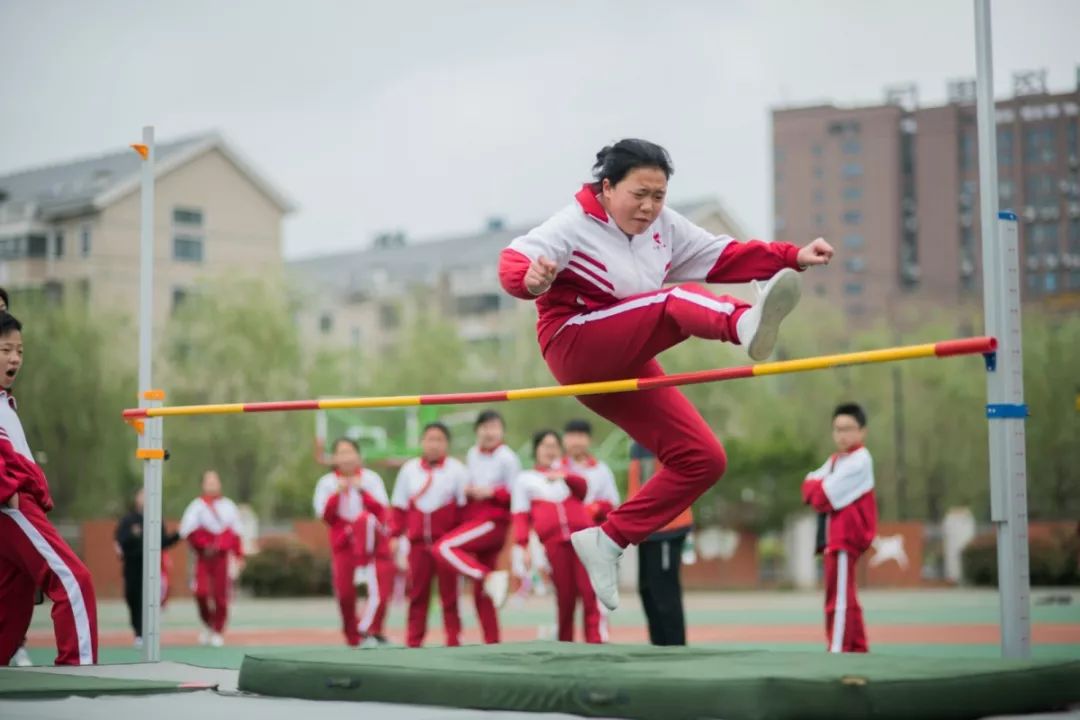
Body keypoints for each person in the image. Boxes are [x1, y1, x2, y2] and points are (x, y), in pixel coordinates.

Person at [498, 138, 834, 610]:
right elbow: (513, 260)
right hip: (575, 345)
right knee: (674, 301)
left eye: (659, 195)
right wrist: (530, 279)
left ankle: (609, 541)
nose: (650, 206)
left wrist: (793, 256)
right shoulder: (572, 225)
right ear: (608, 187)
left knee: (702, 458)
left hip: (626, 354)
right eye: (639, 194)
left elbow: (726, 256)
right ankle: (741, 323)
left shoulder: (665, 228)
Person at [0, 311, 99, 665]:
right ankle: (80, 670)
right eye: (5, 349)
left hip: (18, 505)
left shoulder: (6, 402)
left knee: (12, 604)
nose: (15, 358)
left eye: (20, 351)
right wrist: (7, 491)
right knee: (74, 581)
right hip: (11, 506)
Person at [433, 410, 517, 642]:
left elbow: (515, 494)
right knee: (482, 595)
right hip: (475, 519)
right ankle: (493, 643)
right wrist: (470, 491)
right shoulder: (472, 454)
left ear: (502, 431)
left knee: (443, 548)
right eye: (484, 427)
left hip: (493, 521)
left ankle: (487, 576)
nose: (489, 432)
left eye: (494, 427)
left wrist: (491, 492)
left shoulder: (507, 457)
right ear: (477, 431)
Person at [511, 430, 602, 643]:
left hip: (583, 540)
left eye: (554, 446)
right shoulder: (526, 479)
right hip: (554, 545)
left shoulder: (570, 473)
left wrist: (565, 475)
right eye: (545, 445)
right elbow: (520, 516)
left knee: (589, 593)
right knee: (565, 597)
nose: (550, 450)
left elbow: (583, 491)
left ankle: (595, 643)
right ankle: (566, 644)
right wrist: (522, 546)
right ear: (536, 450)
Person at [801, 403, 877, 653]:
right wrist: (817, 487)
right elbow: (807, 486)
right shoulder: (836, 460)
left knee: (839, 599)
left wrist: (818, 487)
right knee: (845, 596)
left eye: (848, 428)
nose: (842, 434)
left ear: (862, 431)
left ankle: (838, 651)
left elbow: (823, 496)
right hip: (833, 537)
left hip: (846, 538)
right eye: (837, 429)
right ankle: (857, 648)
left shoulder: (860, 460)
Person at [389, 422, 467, 648]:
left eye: (439, 439)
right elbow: (399, 507)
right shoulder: (409, 469)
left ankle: (454, 641)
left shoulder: (457, 470)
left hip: (446, 545)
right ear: (422, 442)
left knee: (450, 596)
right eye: (429, 439)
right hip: (417, 545)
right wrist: (395, 536)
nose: (433, 444)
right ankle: (414, 642)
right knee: (417, 595)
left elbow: (464, 509)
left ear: (447, 444)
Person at [313, 437, 395, 647]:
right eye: (341, 453)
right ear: (334, 458)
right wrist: (336, 494)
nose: (347, 457)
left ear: (359, 456)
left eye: (350, 452)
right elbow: (326, 517)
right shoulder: (327, 483)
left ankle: (373, 630)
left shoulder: (371, 479)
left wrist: (362, 491)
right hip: (344, 545)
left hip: (373, 545)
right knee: (345, 595)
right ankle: (353, 637)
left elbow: (381, 511)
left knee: (382, 594)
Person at [628, 443, 692, 646]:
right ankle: (658, 646)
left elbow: (655, 487)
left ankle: (674, 649)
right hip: (647, 530)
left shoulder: (659, 437)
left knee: (664, 593)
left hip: (667, 527)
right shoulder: (637, 444)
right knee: (647, 590)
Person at [178, 470, 244, 647]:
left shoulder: (228, 506)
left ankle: (217, 630)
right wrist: (203, 544)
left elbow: (236, 533)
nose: (212, 484)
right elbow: (187, 531)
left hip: (222, 558)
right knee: (201, 593)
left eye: (215, 480)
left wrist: (238, 556)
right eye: (209, 481)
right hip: (203, 558)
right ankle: (208, 623)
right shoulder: (196, 506)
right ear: (203, 484)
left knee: (221, 596)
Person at [115, 487, 181, 647]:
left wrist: (178, 535)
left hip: (151, 566)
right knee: (133, 597)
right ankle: (138, 632)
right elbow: (121, 541)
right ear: (137, 498)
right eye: (142, 494)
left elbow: (162, 542)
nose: (145, 498)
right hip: (133, 565)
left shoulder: (156, 520)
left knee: (150, 598)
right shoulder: (128, 521)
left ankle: (149, 631)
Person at [560, 419, 619, 523]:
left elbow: (612, 502)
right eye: (572, 436)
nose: (576, 442)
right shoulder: (556, 467)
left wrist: (593, 509)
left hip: (593, 526)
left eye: (580, 436)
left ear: (589, 440)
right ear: (564, 439)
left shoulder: (600, 469)